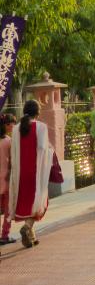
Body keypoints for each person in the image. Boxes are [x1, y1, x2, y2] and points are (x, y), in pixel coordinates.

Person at [9, 100, 53, 248]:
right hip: (36, 172)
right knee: (41, 202)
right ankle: (27, 227)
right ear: (37, 112)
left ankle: (32, 237)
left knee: (28, 203)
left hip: (20, 173)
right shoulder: (41, 127)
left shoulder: (16, 129)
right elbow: (42, 148)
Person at [0, 114, 16, 245]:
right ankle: (4, 235)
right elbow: (12, 161)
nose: (14, 126)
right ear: (6, 125)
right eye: (13, 123)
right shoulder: (8, 141)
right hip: (6, 179)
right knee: (8, 209)